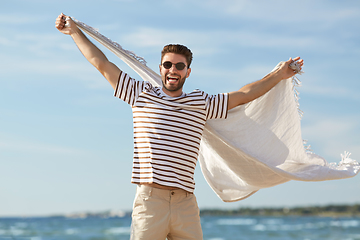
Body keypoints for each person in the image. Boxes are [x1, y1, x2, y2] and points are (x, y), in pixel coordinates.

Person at [55, 13, 303, 240]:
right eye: (167, 65)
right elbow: (101, 63)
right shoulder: (140, 94)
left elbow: (243, 95)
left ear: (187, 72)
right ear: (160, 68)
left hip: (186, 203)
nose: (173, 70)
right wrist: (75, 32)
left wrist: (279, 74)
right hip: (151, 201)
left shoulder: (200, 103)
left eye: (179, 66)